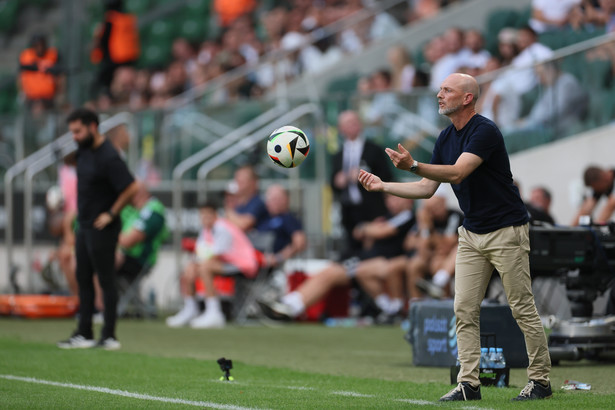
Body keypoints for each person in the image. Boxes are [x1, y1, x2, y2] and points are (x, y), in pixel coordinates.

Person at [358, 73, 552, 401]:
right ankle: (468, 384)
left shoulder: (485, 130)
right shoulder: (445, 137)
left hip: (506, 231)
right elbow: (426, 188)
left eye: (447, 90)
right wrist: (383, 185)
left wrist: (414, 164)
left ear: (467, 99)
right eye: (440, 89)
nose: (439, 94)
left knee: (521, 306)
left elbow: (458, 172)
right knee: (463, 308)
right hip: (472, 233)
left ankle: (541, 380)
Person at [258, 194, 415, 323]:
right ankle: (289, 304)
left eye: (395, 198)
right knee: (327, 273)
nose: (390, 202)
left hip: (384, 262)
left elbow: (380, 232)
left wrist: (368, 228)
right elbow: (362, 235)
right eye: (388, 198)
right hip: (368, 260)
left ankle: (290, 306)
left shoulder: (407, 216)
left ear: (408, 200)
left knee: (331, 273)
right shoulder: (387, 217)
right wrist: (370, 229)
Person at [57, 108, 138, 350]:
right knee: (83, 278)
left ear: (93, 127)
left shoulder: (109, 156)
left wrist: (111, 213)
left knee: (105, 280)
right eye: (72, 132)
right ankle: (84, 332)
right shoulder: (83, 151)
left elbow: (131, 187)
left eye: (78, 131)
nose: (74, 136)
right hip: (83, 225)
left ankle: (109, 335)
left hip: (103, 228)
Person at [166, 201, 259, 329]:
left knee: (204, 267)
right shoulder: (206, 230)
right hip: (225, 264)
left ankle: (214, 313)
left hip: (243, 265)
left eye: (207, 215)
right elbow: (201, 252)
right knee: (190, 268)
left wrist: (198, 263)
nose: (205, 218)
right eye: (202, 215)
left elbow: (215, 254)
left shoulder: (222, 228)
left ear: (215, 214)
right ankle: (190, 309)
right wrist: (194, 265)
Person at [331, 110, 393, 258]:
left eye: (354, 122)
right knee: (351, 251)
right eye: (347, 123)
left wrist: (362, 176)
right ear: (341, 129)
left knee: (372, 251)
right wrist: (338, 180)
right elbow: (333, 182)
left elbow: (387, 177)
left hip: (372, 209)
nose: (352, 126)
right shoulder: (338, 153)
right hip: (348, 210)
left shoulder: (374, 150)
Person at [406, 193, 463, 300]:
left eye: (436, 207)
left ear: (443, 203)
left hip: (447, 257)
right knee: (414, 265)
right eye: (429, 209)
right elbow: (414, 246)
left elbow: (446, 246)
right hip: (430, 256)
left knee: (437, 263)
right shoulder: (425, 219)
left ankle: (443, 303)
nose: (433, 211)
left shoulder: (454, 216)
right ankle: (416, 304)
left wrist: (430, 230)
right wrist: (425, 228)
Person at [116, 182, 168, 284]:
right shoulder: (130, 208)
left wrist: (104, 237)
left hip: (140, 260)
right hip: (123, 256)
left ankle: (100, 299)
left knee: (103, 258)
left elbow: (127, 242)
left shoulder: (153, 210)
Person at [90, 0, 140, 99]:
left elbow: (102, 41)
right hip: (129, 59)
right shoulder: (128, 19)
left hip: (114, 61)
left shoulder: (111, 20)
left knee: (102, 84)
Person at [256, 184, 307, 267]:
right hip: (256, 262)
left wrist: (279, 257)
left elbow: (300, 243)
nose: (274, 202)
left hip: (274, 269)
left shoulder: (288, 219)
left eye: (277, 199)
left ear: (286, 200)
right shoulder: (263, 218)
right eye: (271, 199)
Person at [18, 33, 62, 112]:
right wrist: (21, 92)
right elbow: (20, 76)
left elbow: (60, 76)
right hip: (31, 97)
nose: (39, 48)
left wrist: (60, 93)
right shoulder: (26, 56)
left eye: (41, 45)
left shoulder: (53, 55)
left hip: (49, 97)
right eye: (36, 45)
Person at [223, 165, 269, 233]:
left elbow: (243, 225)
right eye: (237, 178)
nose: (238, 181)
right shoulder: (238, 204)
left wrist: (228, 210)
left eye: (242, 179)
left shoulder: (257, 202)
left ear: (253, 182)